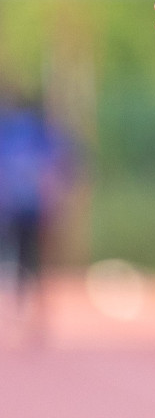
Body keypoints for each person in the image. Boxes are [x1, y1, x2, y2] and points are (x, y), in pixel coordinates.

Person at [0, 79, 73, 345]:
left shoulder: (12, 132)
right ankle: (34, 312)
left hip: (21, 207)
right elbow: (63, 164)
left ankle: (26, 310)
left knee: (22, 258)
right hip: (35, 207)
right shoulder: (41, 132)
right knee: (34, 259)